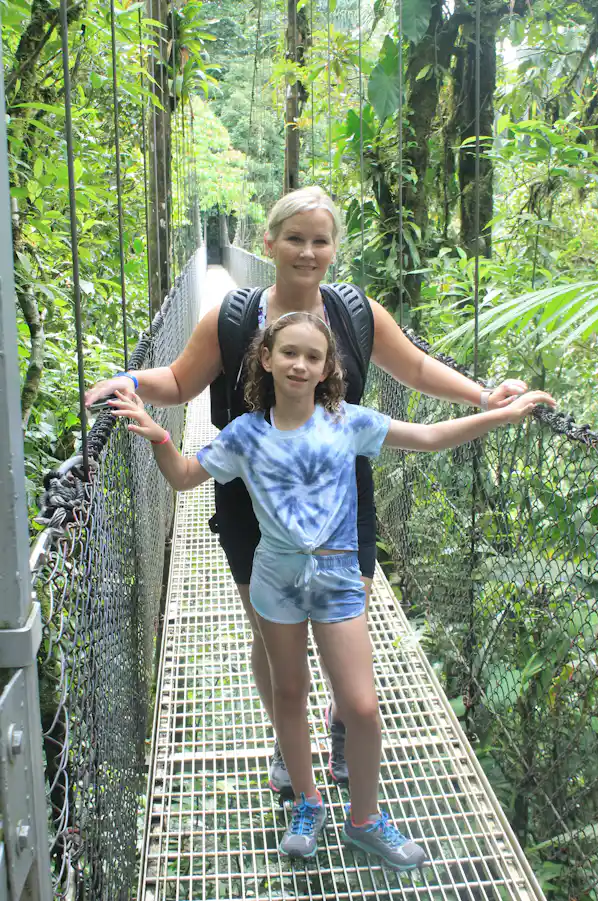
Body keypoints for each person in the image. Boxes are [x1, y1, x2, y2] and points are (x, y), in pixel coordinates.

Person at [85, 185, 530, 795]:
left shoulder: (354, 313)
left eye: (320, 240)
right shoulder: (234, 317)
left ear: (334, 249)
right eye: (294, 238)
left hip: (340, 499)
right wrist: (128, 380)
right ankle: (287, 739)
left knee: (348, 618)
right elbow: (181, 382)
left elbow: (419, 370)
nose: (307, 251)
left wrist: (484, 396)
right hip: (250, 499)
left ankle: (343, 725)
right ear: (267, 243)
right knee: (270, 638)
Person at [108, 311, 555, 867]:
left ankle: (365, 819)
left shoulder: (348, 422)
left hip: (339, 579)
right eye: (288, 353)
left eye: (312, 356)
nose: (299, 364)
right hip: (278, 581)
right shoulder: (244, 433)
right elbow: (182, 476)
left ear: (326, 369)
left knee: (362, 708)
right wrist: (158, 438)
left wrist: (501, 412)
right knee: (290, 696)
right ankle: (309, 803)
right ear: (265, 359)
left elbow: (432, 437)